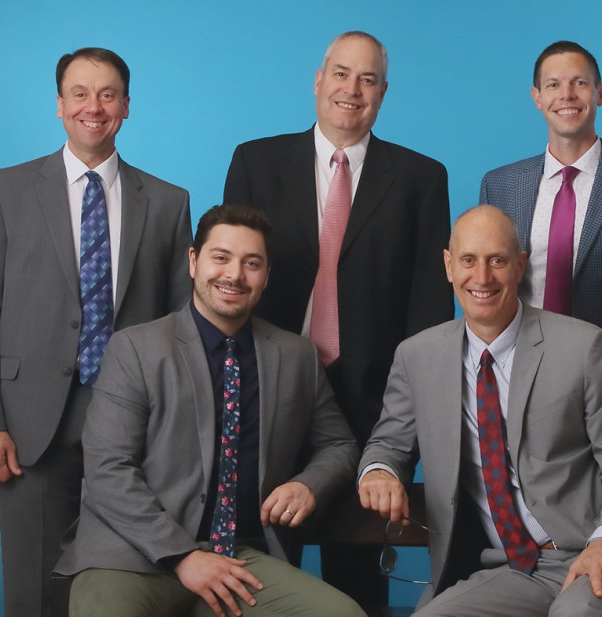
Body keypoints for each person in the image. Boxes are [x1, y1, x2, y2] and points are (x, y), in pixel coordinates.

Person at [358, 205, 602, 617]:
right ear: (448, 266)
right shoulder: (417, 356)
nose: (481, 277)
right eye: (468, 261)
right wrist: (380, 471)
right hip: (517, 568)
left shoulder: (587, 348)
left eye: (497, 260)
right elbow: (389, 442)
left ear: (520, 265)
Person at [0, 47, 192, 617]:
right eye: (81, 94)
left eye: (108, 94)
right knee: (34, 591)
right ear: (60, 105)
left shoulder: (166, 202)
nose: (95, 106)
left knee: (123, 579)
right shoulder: (7, 190)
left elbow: (179, 323)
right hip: (28, 421)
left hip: (132, 421)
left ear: (127, 106)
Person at [222, 30, 453, 606]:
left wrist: (406, 426)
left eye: (369, 79)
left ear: (383, 92)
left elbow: (429, 313)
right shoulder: (256, 161)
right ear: (319, 80)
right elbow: (228, 288)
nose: (353, 89)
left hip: (372, 414)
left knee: (357, 589)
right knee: (259, 578)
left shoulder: (422, 179)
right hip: (265, 399)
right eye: (342, 74)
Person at [55, 204, 364, 617]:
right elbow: (107, 468)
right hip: (132, 553)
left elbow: (339, 445)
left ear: (267, 275)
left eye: (251, 263)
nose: (234, 275)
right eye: (220, 258)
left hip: (240, 557)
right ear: (193, 261)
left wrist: (309, 484)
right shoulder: (136, 349)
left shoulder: (297, 356)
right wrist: (183, 556)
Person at [479, 41, 602, 343]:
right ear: (537, 97)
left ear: (600, 92)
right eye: (553, 84)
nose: (566, 95)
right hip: (517, 361)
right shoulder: (499, 185)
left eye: (579, 83)